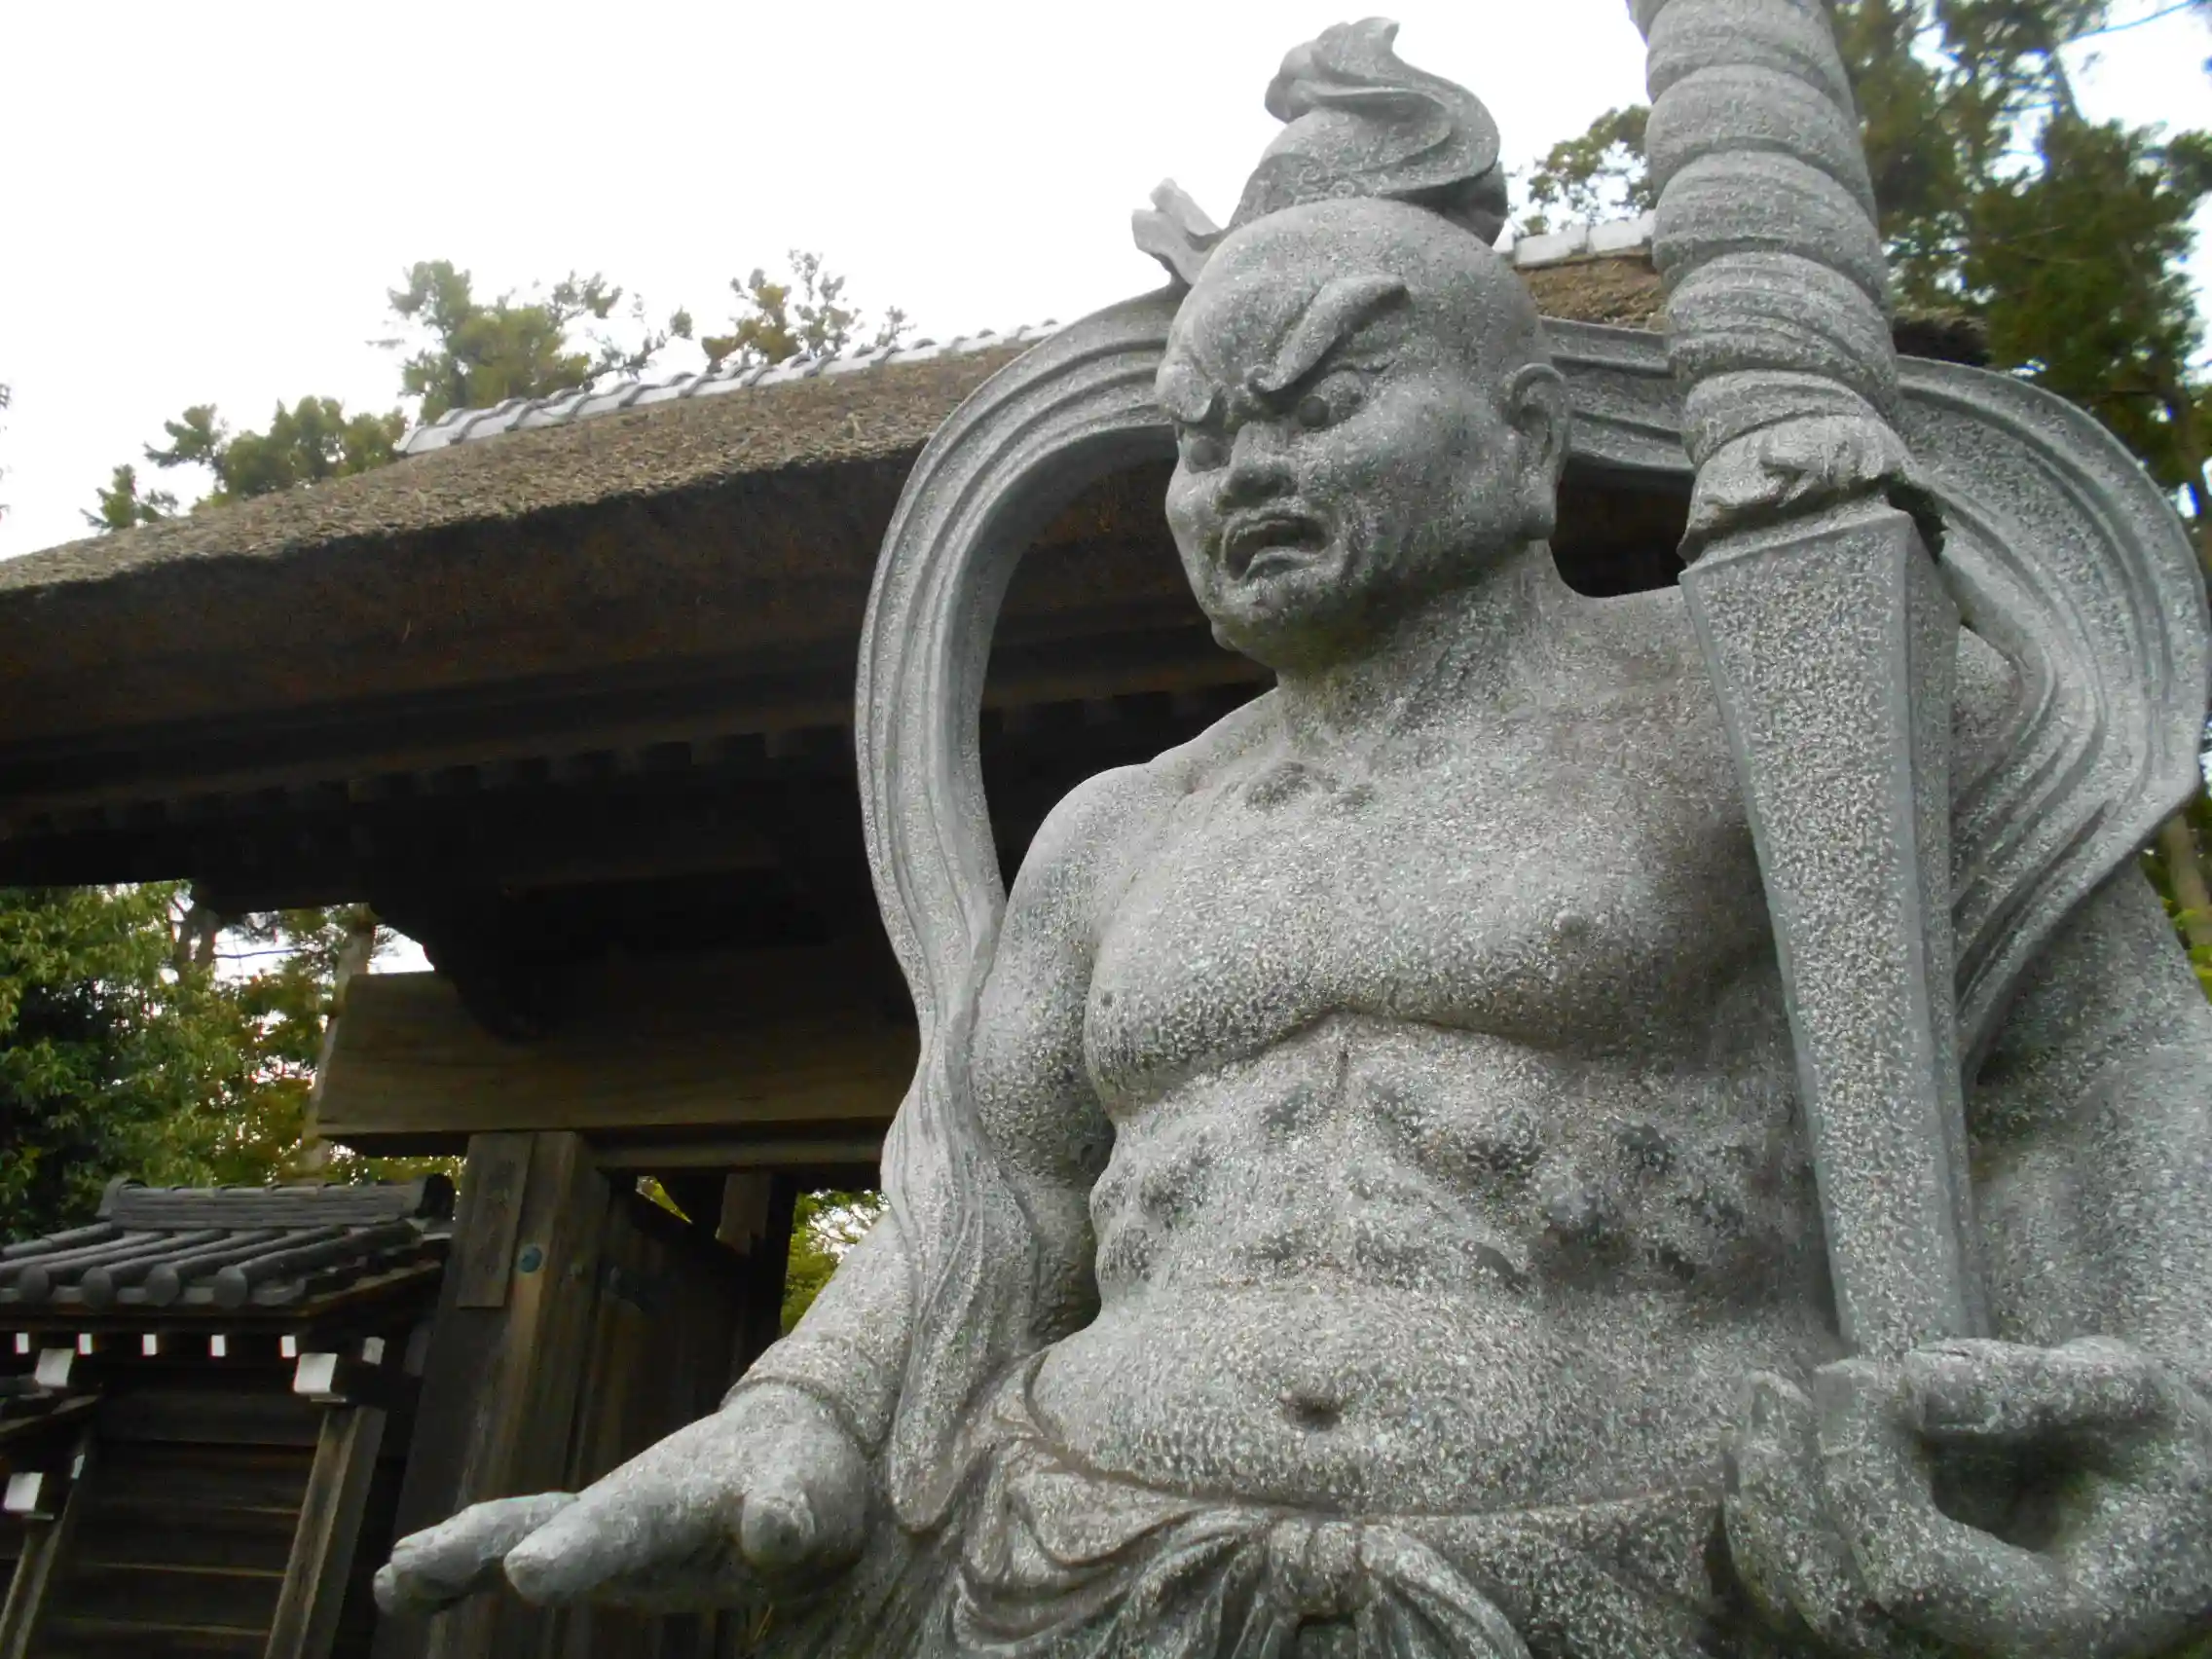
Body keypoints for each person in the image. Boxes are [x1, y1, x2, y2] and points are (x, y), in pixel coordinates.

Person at [379, 38, 2212, 1659]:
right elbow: (996, 1196)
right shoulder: (1118, 829)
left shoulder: (1796, 696)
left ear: (1527, 440)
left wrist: (2166, 1426)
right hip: (1065, 1569)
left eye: (1324, 401)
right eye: (1200, 436)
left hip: (1675, 1565)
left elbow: (2081, 1099)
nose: (1246, 471)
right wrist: (806, 1408)